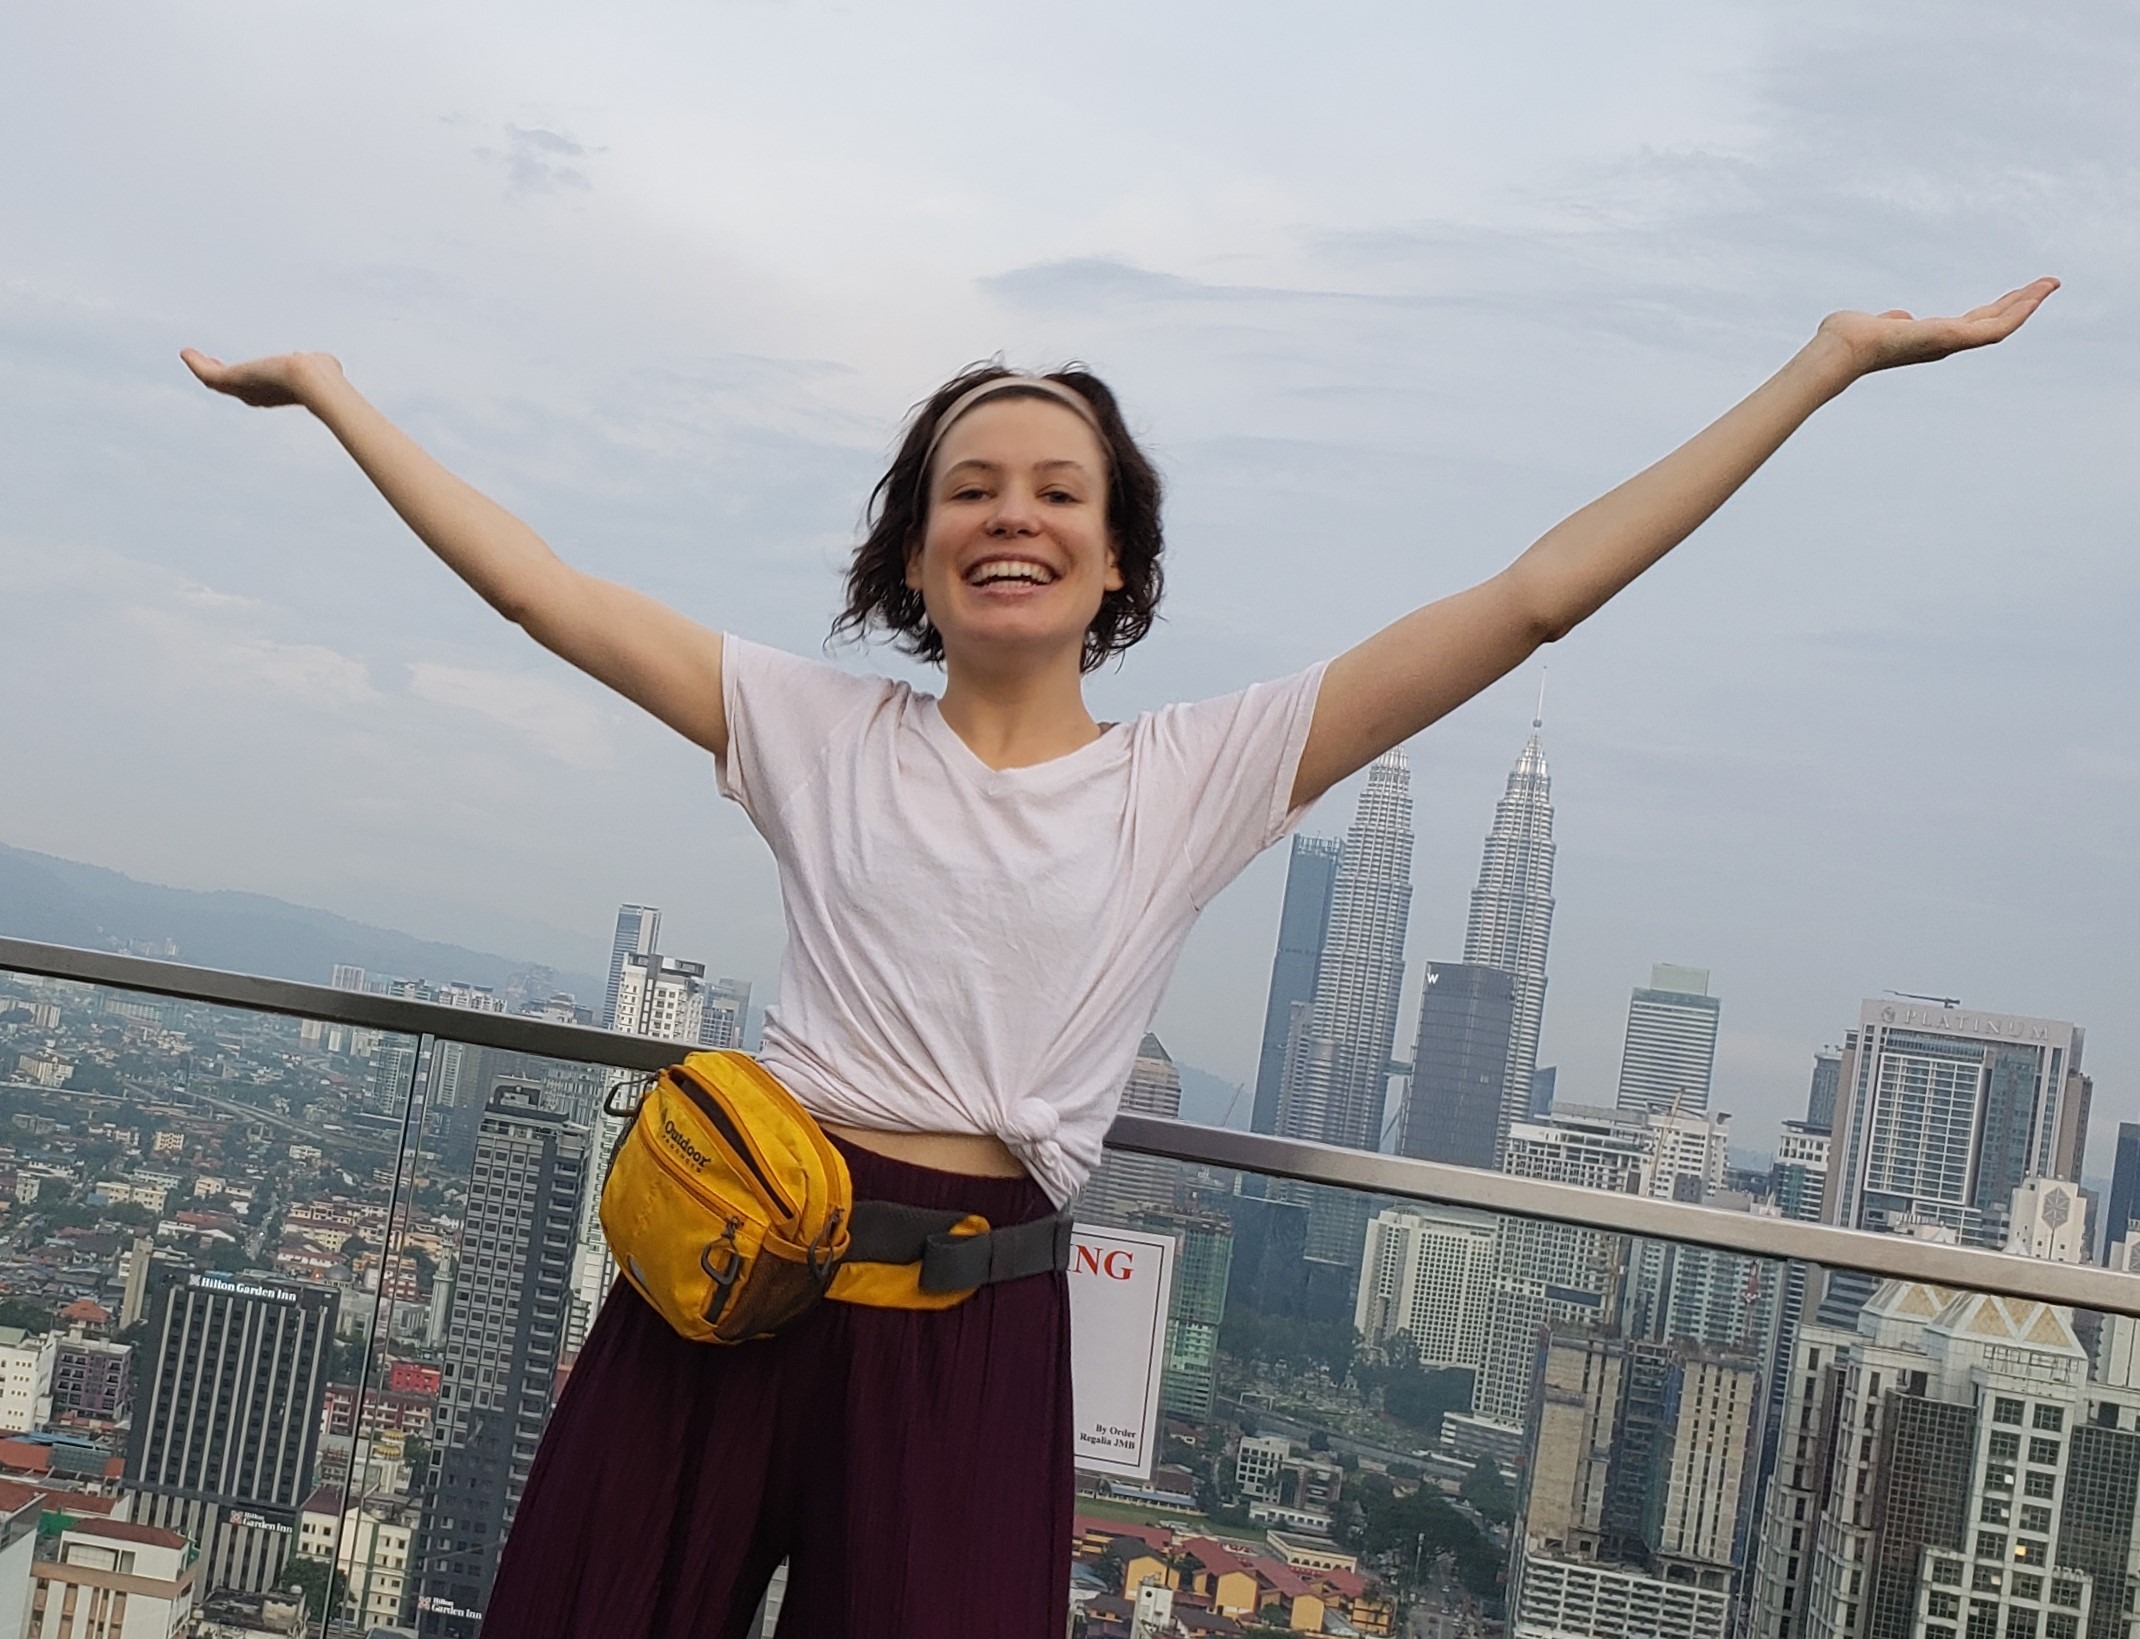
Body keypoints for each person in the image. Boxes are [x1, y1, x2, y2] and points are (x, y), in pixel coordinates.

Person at [182, 276, 2055, 1636]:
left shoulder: (1194, 774)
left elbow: (1533, 597)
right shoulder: (814, 729)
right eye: (970, 486)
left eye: (1058, 488)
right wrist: (338, 396)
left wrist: (1822, 364)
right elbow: (540, 589)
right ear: (912, 555)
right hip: (733, 1277)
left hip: (973, 1330)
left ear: (1117, 559)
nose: (1013, 511)